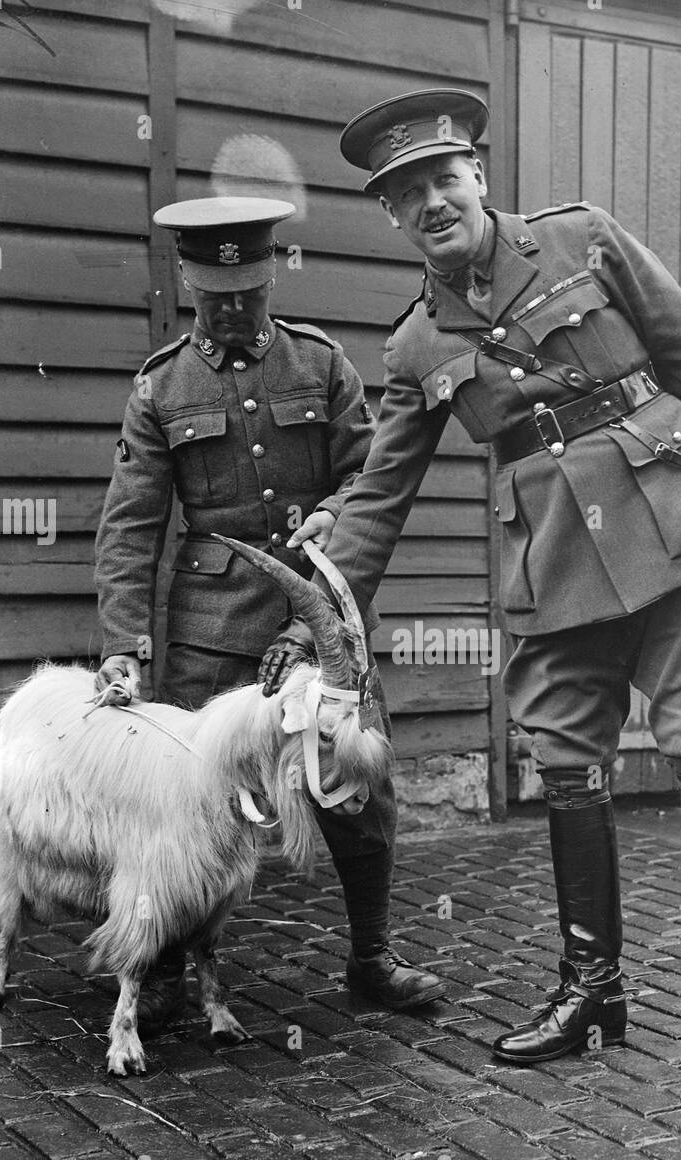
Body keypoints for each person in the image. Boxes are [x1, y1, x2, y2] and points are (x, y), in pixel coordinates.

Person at [262, 90, 681, 1073]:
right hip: (555, 565)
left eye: (443, 180)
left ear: (478, 177)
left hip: (673, 527)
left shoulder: (582, 238)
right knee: (565, 764)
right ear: (391, 216)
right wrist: (330, 615)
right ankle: (592, 991)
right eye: (406, 195)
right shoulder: (415, 345)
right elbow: (378, 497)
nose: (431, 203)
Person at [94, 196, 443, 1030]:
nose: (234, 310)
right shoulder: (161, 386)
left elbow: (370, 485)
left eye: (247, 292)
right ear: (188, 283)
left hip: (319, 615)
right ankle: (172, 968)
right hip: (209, 633)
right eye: (216, 297)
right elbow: (131, 525)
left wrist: (331, 537)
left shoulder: (321, 366)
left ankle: (370, 958)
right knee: (185, 804)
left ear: (269, 274)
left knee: (358, 784)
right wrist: (124, 646)